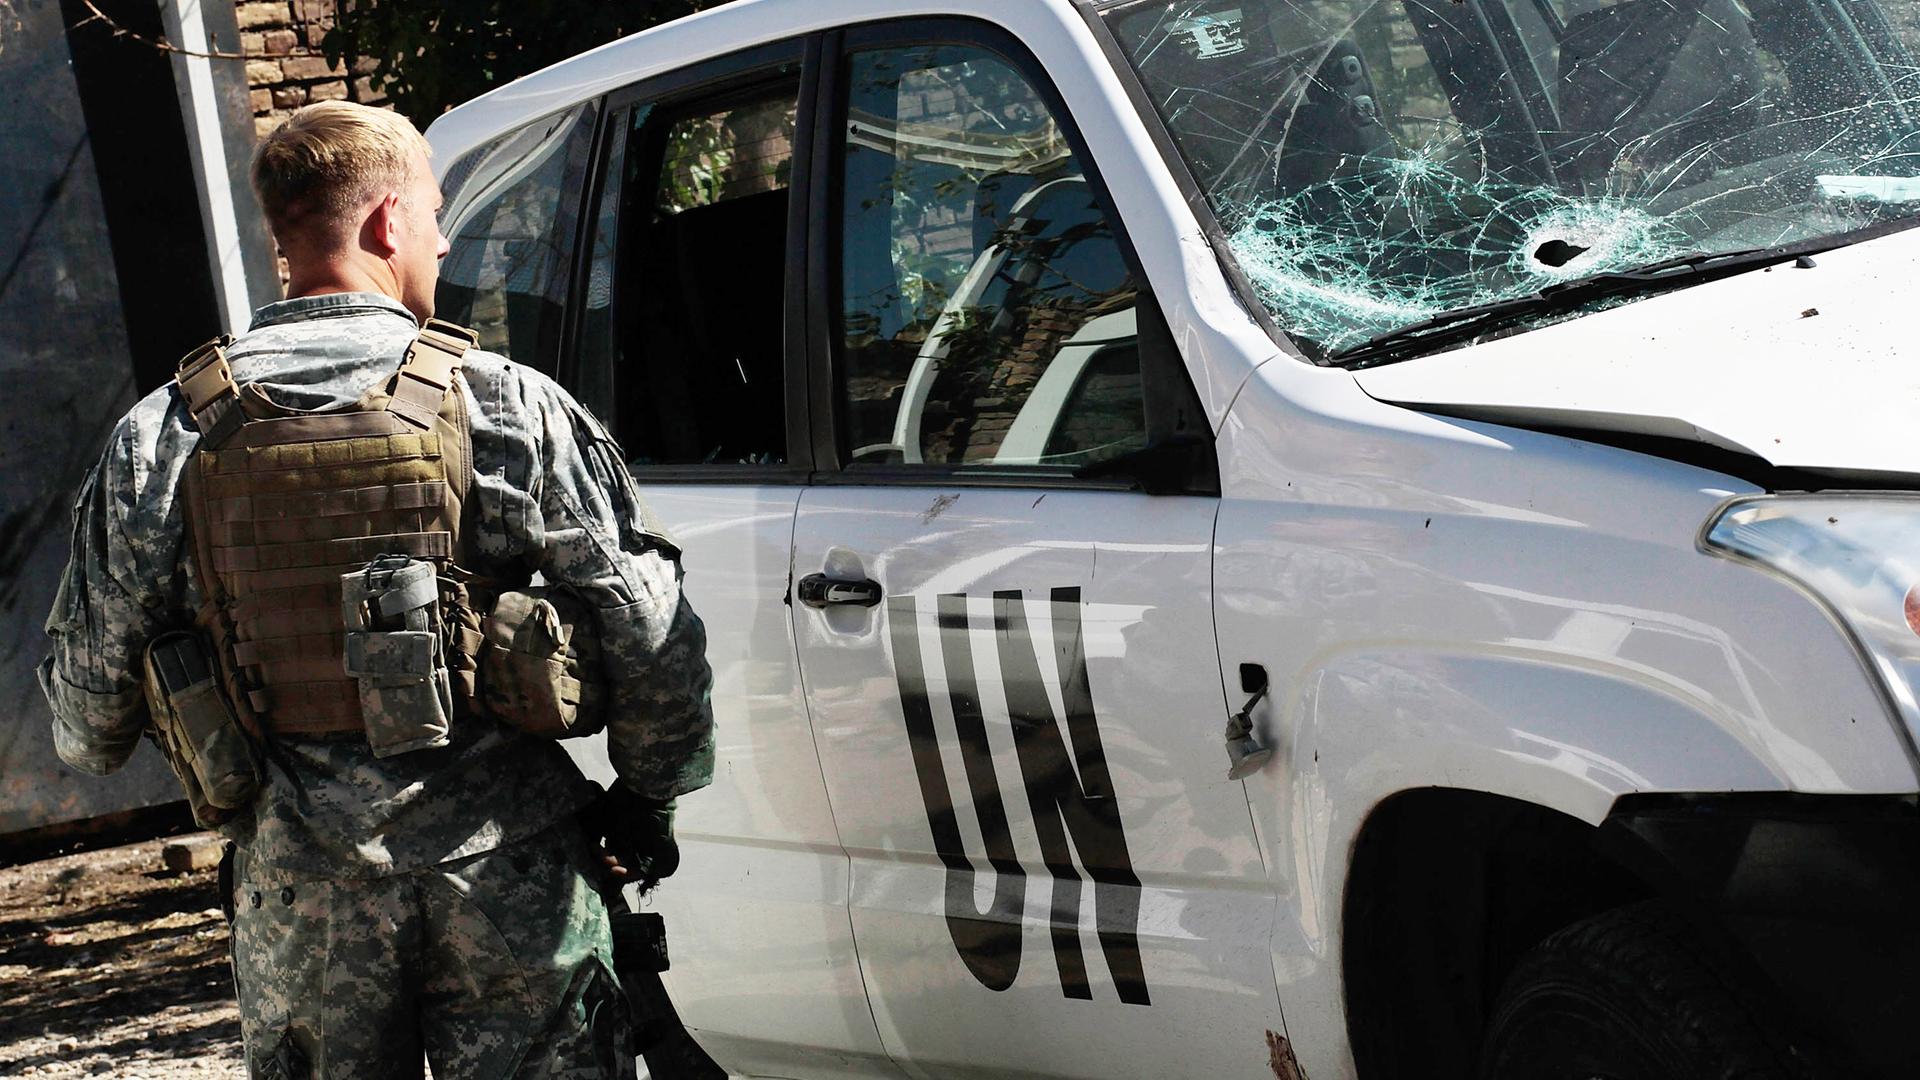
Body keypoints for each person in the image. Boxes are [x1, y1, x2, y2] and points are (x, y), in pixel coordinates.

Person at [38, 100, 714, 1079]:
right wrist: (643, 806)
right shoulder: (507, 405)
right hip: (512, 873)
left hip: (300, 897)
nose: (441, 242)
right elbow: (653, 639)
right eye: (436, 215)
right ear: (388, 222)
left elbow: (87, 727)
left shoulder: (164, 439)